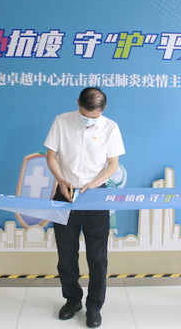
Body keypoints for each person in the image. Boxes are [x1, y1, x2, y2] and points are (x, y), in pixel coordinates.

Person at [44, 87, 125, 328]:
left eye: (93, 116)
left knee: (97, 257)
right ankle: (72, 300)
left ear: (103, 109)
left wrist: (94, 183)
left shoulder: (111, 127)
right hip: (65, 193)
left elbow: (113, 164)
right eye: (84, 114)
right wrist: (60, 179)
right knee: (66, 255)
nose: (88, 120)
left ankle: (94, 307)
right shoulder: (61, 121)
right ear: (77, 103)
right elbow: (51, 155)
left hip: (95, 195)